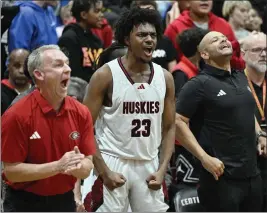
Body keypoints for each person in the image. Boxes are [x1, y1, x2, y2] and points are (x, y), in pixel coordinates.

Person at [83, 7, 175, 212]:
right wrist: (103, 171)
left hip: (149, 163)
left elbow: (169, 128)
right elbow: (84, 127)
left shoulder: (165, 78)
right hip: (112, 160)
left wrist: (162, 169)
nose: (149, 39)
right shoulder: (105, 76)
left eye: (153, 35)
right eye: (142, 35)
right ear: (127, 39)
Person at [175, 31, 266, 211]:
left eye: (224, 38)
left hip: (252, 175)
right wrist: (204, 158)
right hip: (220, 178)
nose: (223, 40)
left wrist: (260, 135)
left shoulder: (240, 77)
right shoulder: (198, 84)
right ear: (205, 54)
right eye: (215, 40)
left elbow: (247, 111)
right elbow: (177, 122)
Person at [1, 45, 95, 212]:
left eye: (67, 63)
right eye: (58, 65)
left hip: (64, 201)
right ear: (39, 74)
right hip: (23, 202)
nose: (67, 69)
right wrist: (58, 166)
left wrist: (80, 168)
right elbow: (11, 171)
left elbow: (88, 164)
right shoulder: (16, 114)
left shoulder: (81, 112)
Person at [167, 27, 208, 212]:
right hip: (183, 144)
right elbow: (179, 112)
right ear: (200, 49)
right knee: (188, 190)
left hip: (197, 140)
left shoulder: (197, 70)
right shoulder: (180, 73)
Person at [164, 0, 245, 70]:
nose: (204, 0)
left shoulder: (223, 25)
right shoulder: (175, 27)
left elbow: (235, 58)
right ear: (188, 2)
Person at [242, 32, 267, 212]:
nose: (264, 54)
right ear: (243, 54)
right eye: (257, 50)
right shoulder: (234, 83)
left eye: (266, 50)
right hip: (247, 166)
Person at [58, 0, 104, 82]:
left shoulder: (97, 40)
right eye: (97, 11)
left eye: (101, 11)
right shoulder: (69, 38)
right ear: (83, 15)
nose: (101, 15)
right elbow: (72, 75)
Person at [131, 0, 177, 71]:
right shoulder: (129, 41)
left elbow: (173, 70)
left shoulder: (165, 41)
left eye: (151, 13)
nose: (148, 18)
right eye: (143, 14)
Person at [1, 49, 31, 115]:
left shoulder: (40, 91)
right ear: (8, 66)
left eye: (25, 66)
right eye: (16, 65)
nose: (21, 71)